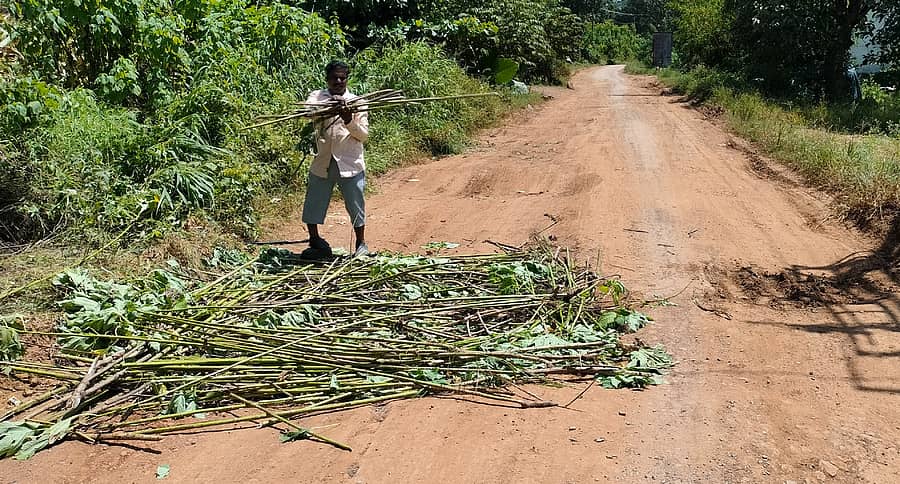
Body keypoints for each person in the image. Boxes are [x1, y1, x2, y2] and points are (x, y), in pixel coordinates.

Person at [301, 60, 369, 258]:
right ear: (327, 79)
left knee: (355, 202)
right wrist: (330, 105)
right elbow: (307, 110)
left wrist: (348, 119)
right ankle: (315, 241)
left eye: (342, 77)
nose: (338, 81)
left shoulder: (358, 102)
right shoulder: (317, 96)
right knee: (314, 200)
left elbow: (363, 135)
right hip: (323, 159)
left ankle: (360, 243)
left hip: (349, 161)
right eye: (334, 78)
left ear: (347, 79)